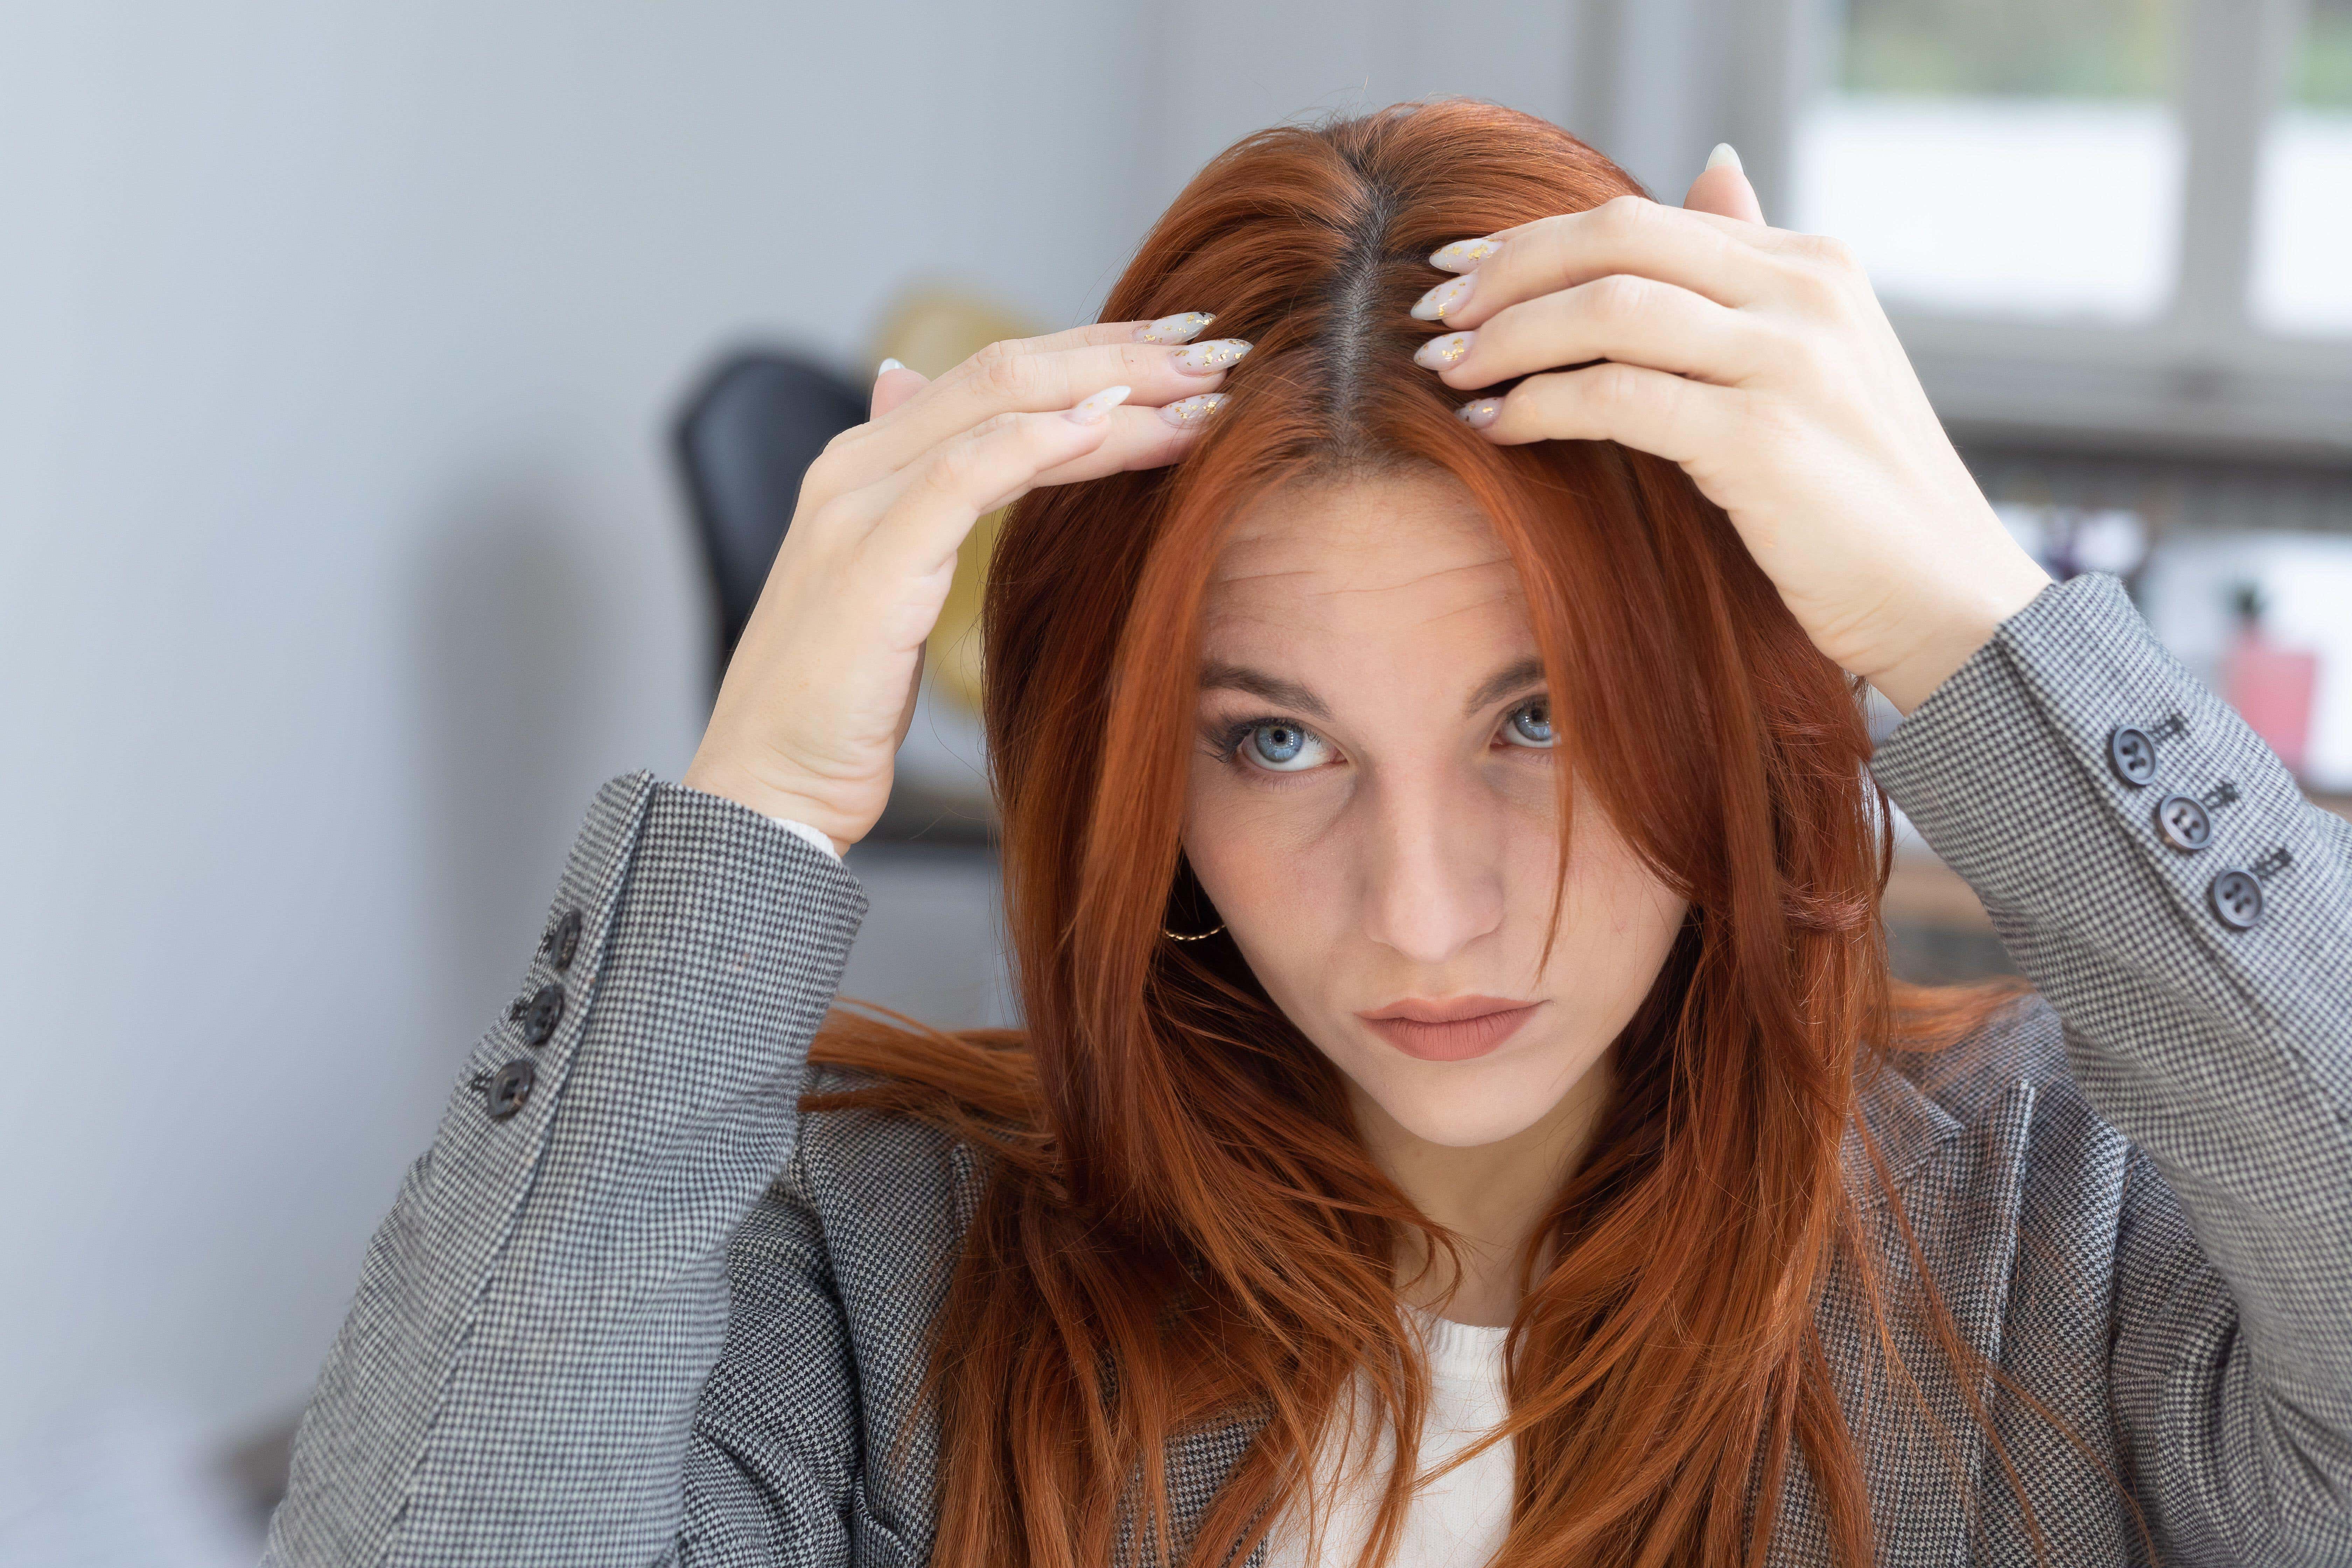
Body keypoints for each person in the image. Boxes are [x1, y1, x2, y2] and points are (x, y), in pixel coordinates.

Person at [262, 102, 2351, 1568]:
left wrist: (1972, 626)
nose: (1424, 910)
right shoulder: (889, 1280)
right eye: (1274, 743)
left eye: (1535, 716)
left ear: (1728, 700)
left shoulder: (2063, 1250)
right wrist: (760, 811)